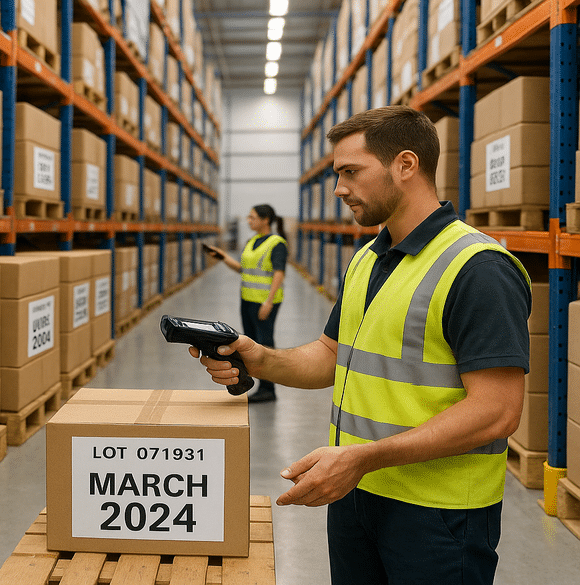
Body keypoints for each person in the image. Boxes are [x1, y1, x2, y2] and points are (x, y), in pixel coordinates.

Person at [190, 106, 531, 584]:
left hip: (438, 514)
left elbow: (498, 411)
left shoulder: (477, 268)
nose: (339, 189)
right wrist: (259, 357)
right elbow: (332, 355)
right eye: (337, 174)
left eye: (351, 172)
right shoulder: (368, 259)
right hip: (356, 496)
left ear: (406, 165)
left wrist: (362, 458)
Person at [203, 204, 287, 402]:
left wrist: (268, 302)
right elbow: (244, 270)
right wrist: (222, 257)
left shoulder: (277, 243)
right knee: (250, 343)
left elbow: (279, 273)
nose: (249, 221)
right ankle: (259, 384)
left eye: (252, 217)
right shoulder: (252, 241)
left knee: (265, 343)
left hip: (264, 302)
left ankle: (268, 389)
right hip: (247, 299)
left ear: (265, 220)